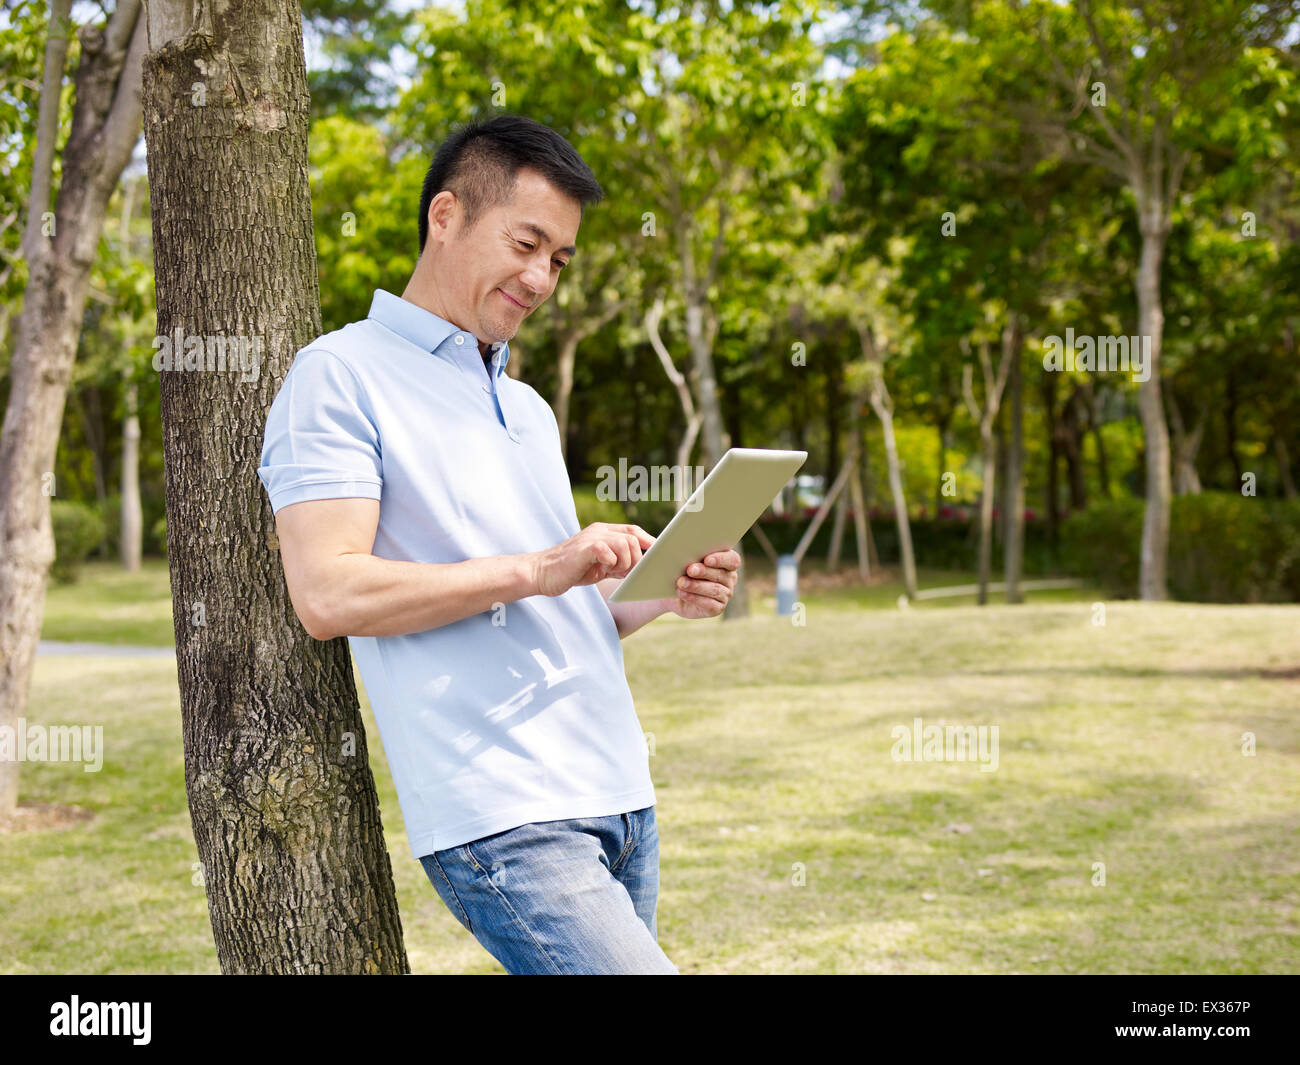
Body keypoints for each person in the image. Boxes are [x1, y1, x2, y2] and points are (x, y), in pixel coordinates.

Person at [257, 114, 739, 974]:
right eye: (526, 243)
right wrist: (543, 566)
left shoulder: (526, 406)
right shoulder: (339, 374)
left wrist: (658, 591)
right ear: (445, 216)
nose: (542, 277)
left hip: (619, 795)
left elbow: (547, 610)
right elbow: (328, 594)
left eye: (559, 258)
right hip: (506, 813)